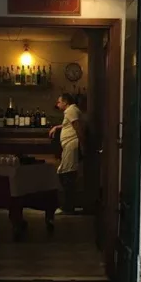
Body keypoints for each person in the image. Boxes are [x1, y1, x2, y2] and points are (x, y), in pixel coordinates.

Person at [49, 93, 85, 221]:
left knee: (67, 174)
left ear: (65, 102)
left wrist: (82, 144)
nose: (57, 104)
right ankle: (68, 205)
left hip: (71, 145)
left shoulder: (71, 111)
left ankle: (68, 206)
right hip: (69, 146)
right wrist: (56, 127)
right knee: (65, 173)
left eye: (59, 102)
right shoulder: (72, 111)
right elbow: (69, 125)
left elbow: (78, 128)